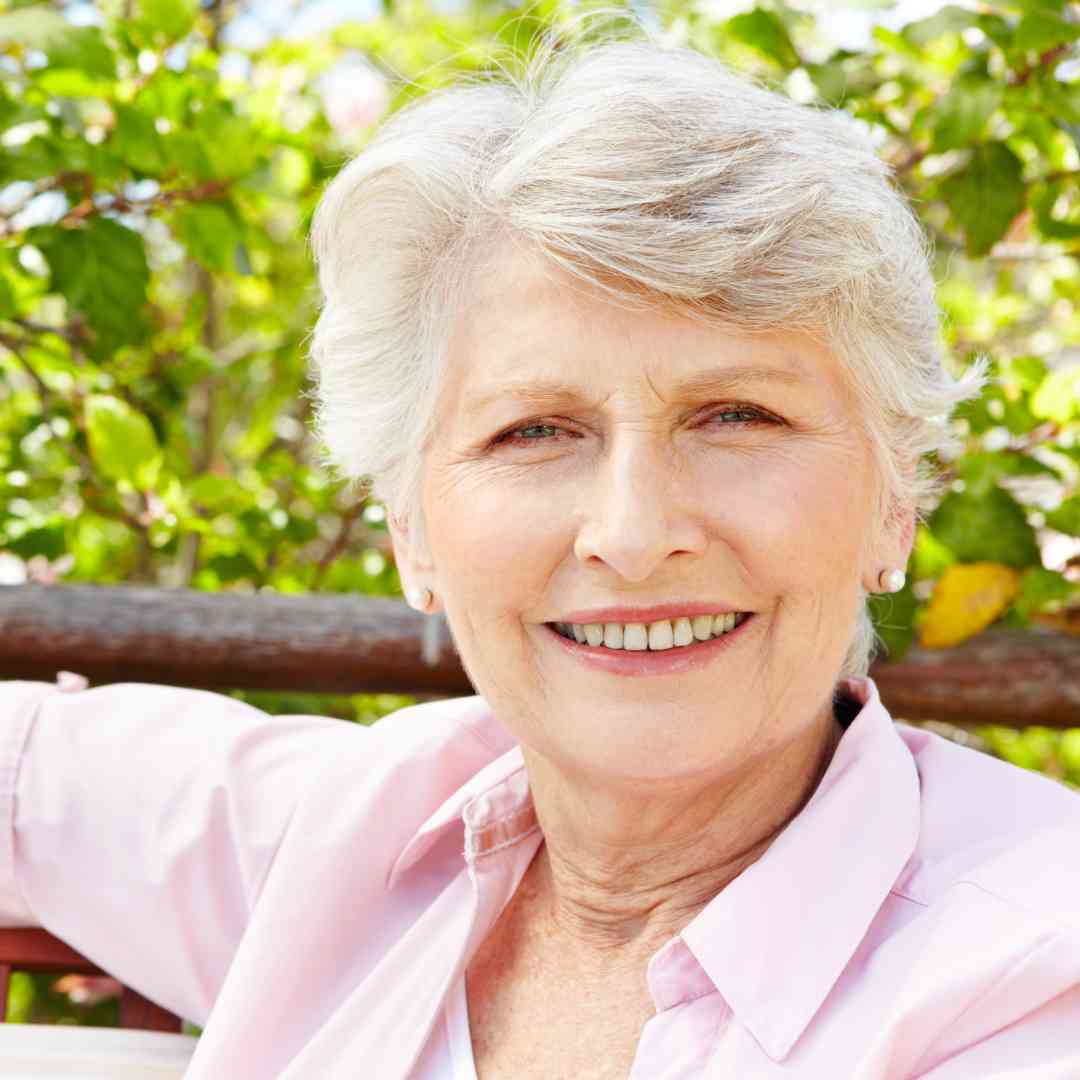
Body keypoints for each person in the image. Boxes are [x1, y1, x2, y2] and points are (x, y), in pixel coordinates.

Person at [4, 22, 1080, 1080]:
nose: (633, 534)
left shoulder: (1028, 970)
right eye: (534, 431)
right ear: (410, 531)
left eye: (737, 416)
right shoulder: (354, 841)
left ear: (894, 501)